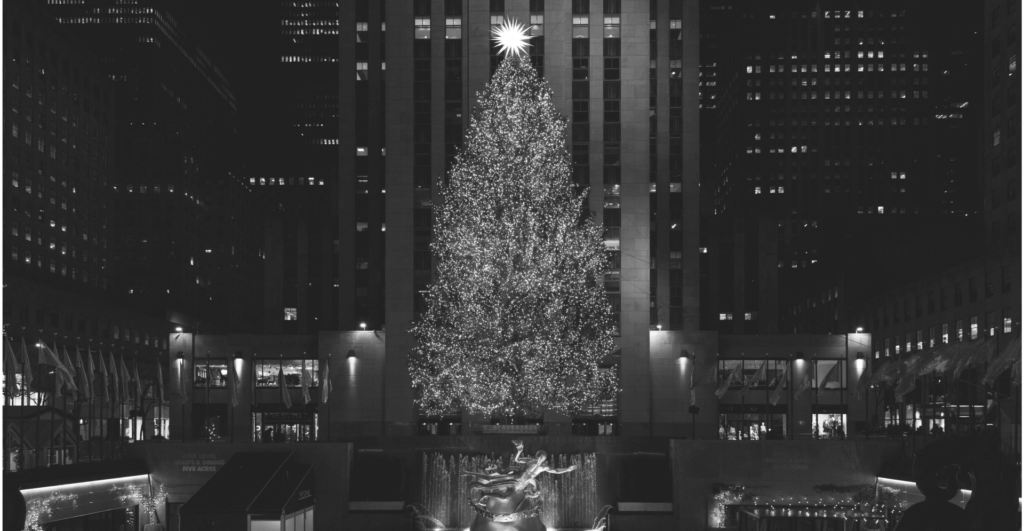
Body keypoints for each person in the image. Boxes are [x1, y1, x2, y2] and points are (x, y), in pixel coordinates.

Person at [463, 440, 577, 506]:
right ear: (536, 455)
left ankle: (485, 496)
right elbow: (517, 460)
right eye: (538, 456)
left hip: (520, 484)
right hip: (515, 477)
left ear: (544, 458)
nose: (539, 458)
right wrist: (519, 451)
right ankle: (469, 474)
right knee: (492, 480)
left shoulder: (544, 467)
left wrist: (567, 469)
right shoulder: (530, 460)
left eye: (541, 457)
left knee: (505, 496)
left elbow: (555, 470)